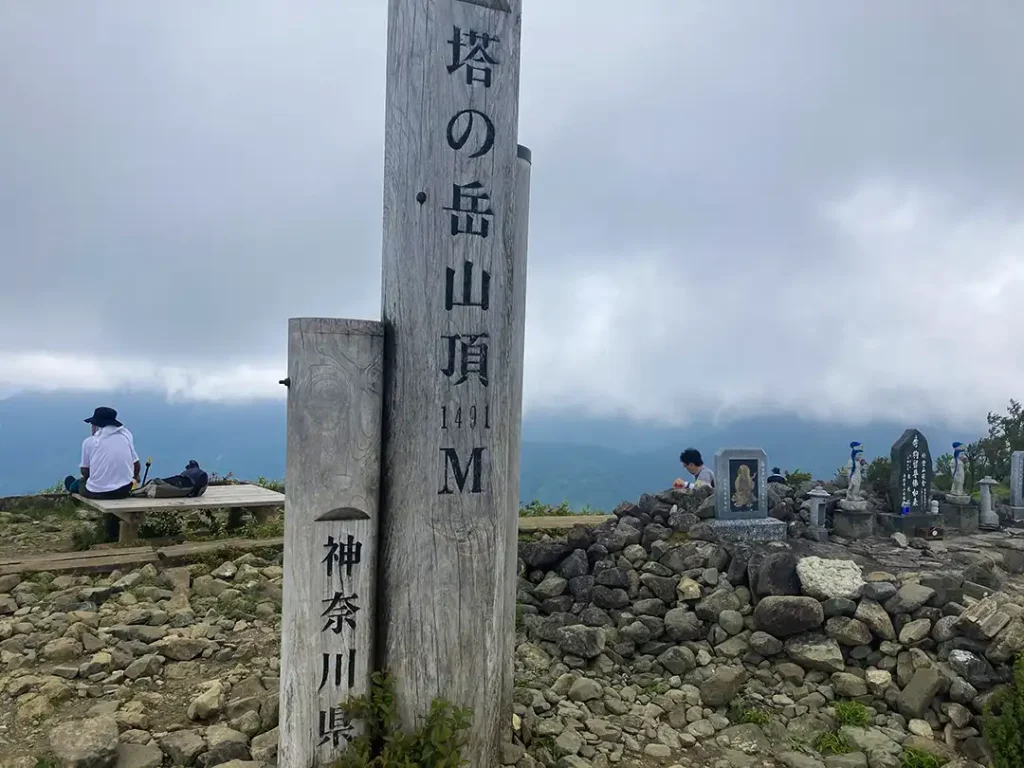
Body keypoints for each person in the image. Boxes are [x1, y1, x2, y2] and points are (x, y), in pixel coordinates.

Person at [64, 407, 140, 499]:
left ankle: (73, 495)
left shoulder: (89, 442)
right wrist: (134, 477)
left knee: (72, 482)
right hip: (123, 491)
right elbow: (136, 465)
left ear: (96, 426)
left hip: (97, 492)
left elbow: (84, 471)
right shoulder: (126, 437)